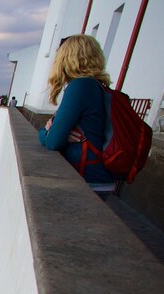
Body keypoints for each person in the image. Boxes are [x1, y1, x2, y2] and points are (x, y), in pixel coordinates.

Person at [39, 34, 115, 192]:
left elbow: (52, 141)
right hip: (97, 177)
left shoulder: (80, 86)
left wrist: (47, 132)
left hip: (89, 180)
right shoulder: (95, 86)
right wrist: (56, 134)